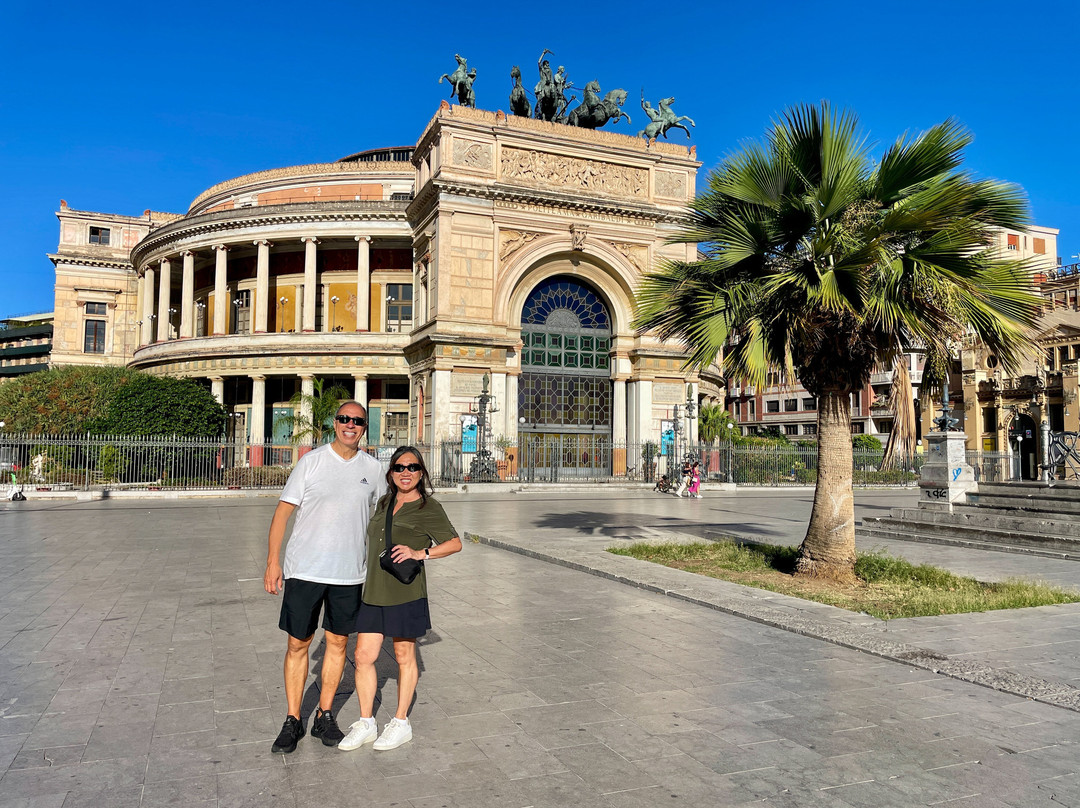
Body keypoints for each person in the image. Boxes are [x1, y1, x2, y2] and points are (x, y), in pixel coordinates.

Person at [264, 401, 386, 754]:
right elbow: (282, 513)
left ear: (365, 427)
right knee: (297, 644)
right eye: (345, 419)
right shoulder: (311, 462)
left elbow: (383, 518)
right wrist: (274, 562)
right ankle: (292, 719)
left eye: (358, 421)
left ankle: (324, 714)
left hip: (349, 574)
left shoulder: (373, 470)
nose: (351, 425)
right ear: (335, 423)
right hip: (305, 570)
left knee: (337, 644)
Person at [340, 446, 462, 752]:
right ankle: (366, 722)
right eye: (399, 467)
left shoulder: (427, 507)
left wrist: (420, 553)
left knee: (405, 657)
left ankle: (400, 722)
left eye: (412, 467)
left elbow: (455, 543)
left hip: (405, 593)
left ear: (421, 474)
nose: (405, 472)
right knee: (364, 656)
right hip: (374, 591)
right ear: (391, 473)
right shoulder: (385, 501)